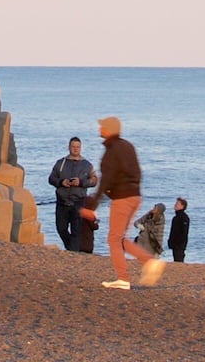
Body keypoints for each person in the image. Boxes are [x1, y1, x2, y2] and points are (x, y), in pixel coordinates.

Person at [82, 117, 164, 290]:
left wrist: (92, 205)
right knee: (118, 237)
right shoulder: (128, 146)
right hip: (134, 196)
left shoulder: (112, 150)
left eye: (102, 126)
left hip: (122, 198)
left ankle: (124, 278)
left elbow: (106, 180)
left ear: (108, 130)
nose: (99, 128)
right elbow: (137, 173)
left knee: (113, 239)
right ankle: (148, 262)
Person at [48, 137, 97, 252]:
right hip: (62, 201)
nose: (75, 149)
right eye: (73, 147)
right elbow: (51, 178)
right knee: (61, 228)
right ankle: (71, 249)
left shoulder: (87, 165)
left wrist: (81, 182)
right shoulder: (60, 163)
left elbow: (94, 181)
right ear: (69, 147)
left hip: (78, 202)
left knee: (76, 231)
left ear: (80, 148)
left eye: (77, 147)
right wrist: (61, 182)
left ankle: (73, 253)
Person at [168, 198, 191, 263]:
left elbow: (184, 232)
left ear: (182, 206)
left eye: (177, 204)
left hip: (179, 245)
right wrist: (170, 241)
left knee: (179, 261)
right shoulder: (175, 217)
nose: (175, 205)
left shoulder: (184, 217)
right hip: (174, 244)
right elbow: (172, 231)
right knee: (176, 260)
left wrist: (179, 243)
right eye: (176, 203)